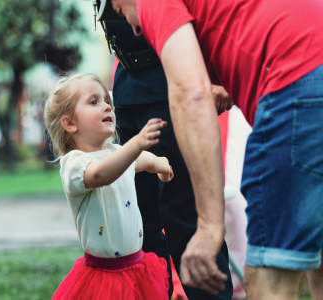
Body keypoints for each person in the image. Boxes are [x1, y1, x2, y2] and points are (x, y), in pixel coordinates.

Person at [95, 0, 323, 299]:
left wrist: (209, 228)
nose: (136, 30)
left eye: (121, 14)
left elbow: (193, 96)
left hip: (294, 83)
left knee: (270, 279)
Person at [103, 20, 233, 300]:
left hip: (172, 80)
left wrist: (216, 73)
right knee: (136, 219)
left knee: (183, 210)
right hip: (127, 83)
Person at [44, 73, 174, 300]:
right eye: (94, 102)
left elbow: (145, 160)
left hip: (138, 270)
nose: (106, 106)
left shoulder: (117, 152)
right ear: (70, 123)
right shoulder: (74, 164)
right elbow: (101, 174)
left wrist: (162, 166)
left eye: (107, 101)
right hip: (102, 279)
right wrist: (135, 144)